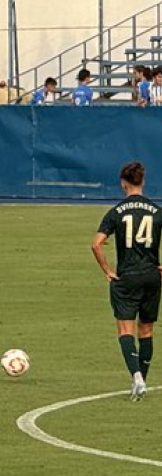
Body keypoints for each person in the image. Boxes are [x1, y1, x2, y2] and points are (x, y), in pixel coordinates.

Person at [91, 162, 162, 401]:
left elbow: (96, 244)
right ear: (142, 181)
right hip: (152, 276)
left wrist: (107, 270)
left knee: (125, 329)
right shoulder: (156, 210)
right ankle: (143, 381)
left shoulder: (116, 212)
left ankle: (137, 378)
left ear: (123, 183)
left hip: (127, 276)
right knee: (147, 330)